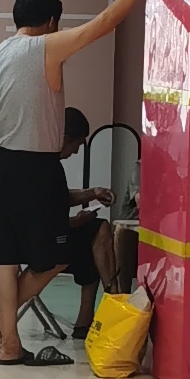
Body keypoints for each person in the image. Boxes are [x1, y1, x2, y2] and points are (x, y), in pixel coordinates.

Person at [0, 0, 153, 365]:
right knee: (54, 257)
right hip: (35, 167)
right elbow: (104, 23)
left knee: (5, 258)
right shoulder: (46, 47)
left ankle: (10, 344)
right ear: (52, 22)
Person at [58, 107, 117, 338]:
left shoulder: (42, 162)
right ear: (65, 139)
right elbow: (44, 218)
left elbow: (57, 199)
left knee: (94, 235)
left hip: (40, 236)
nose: (76, 152)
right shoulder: (45, 166)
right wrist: (75, 221)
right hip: (43, 242)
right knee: (98, 233)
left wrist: (93, 193)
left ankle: (87, 319)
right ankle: (113, 299)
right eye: (77, 145)